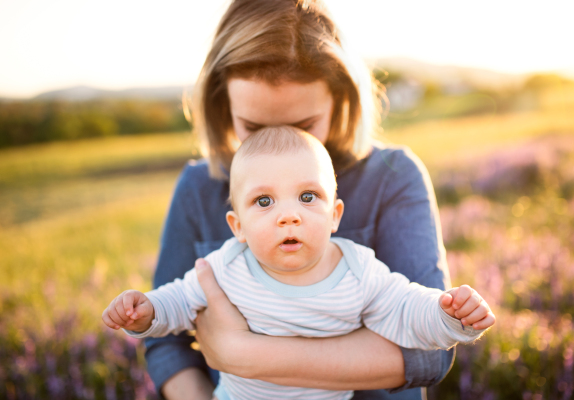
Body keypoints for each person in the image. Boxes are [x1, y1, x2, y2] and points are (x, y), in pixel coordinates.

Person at [144, 0, 459, 399]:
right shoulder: (197, 187)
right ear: (223, 106)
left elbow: (429, 354)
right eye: (254, 128)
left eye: (304, 126)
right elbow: (165, 343)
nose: (281, 146)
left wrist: (243, 354)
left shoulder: (393, 177)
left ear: (341, 99)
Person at [103, 127, 495, 400]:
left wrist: (448, 315)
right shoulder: (227, 265)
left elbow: (407, 310)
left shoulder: (358, 270)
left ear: (335, 215)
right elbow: (179, 299)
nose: (288, 216)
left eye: (308, 197)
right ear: (237, 227)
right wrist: (148, 311)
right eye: (264, 201)